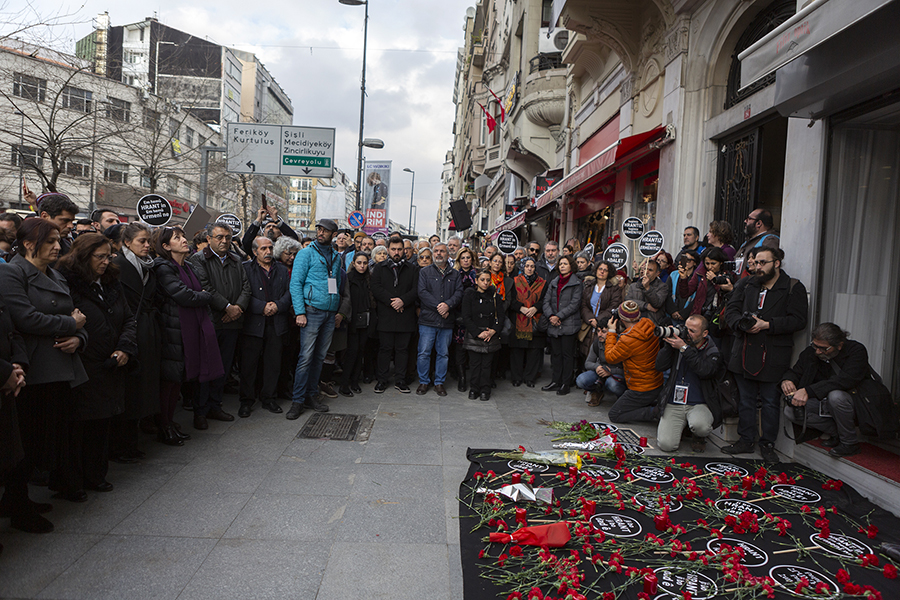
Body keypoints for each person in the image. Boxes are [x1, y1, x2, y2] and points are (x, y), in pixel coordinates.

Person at [0, 218, 86, 529]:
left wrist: (79, 337)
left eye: (57, 239)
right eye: (50, 240)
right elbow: (26, 318)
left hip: (60, 367)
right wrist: (70, 326)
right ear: (27, 244)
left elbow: (78, 317)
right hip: (31, 370)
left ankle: (16, 499)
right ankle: (17, 502)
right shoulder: (10, 273)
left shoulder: (55, 274)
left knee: (43, 440)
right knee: (25, 442)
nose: (58, 246)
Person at [57, 233, 137, 494]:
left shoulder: (112, 281)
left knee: (102, 424)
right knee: (80, 425)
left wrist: (124, 348)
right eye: (99, 257)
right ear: (84, 256)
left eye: (108, 256)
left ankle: (95, 474)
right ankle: (72, 481)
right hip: (83, 365)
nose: (105, 262)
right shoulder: (68, 283)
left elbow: (128, 319)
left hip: (111, 364)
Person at [721, 247, 808, 463]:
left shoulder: (792, 287)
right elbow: (730, 310)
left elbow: (798, 320)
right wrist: (741, 324)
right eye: (756, 262)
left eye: (763, 263)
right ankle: (746, 439)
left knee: (770, 402)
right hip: (744, 350)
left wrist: (768, 325)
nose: (758, 267)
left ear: (777, 263)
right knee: (746, 400)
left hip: (773, 354)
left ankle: (768, 443)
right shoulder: (747, 283)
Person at [153, 227, 223, 446]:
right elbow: (183, 295)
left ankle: (170, 422)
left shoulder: (189, 266)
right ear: (165, 246)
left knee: (177, 381)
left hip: (187, 331)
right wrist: (204, 296)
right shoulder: (163, 267)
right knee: (169, 381)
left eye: (183, 236)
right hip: (172, 330)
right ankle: (164, 425)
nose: (184, 240)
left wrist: (201, 296)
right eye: (178, 238)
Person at [188, 222, 250, 429]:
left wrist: (237, 308)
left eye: (227, 237)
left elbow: (246, 287)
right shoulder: (197, 260)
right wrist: (226, 307)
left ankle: (215, 405)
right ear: (209, 239)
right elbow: (204, 287)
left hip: (232, 323)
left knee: (222, 368)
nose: (224, 241)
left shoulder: (236, 259)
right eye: (219, 237)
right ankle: (200, 411)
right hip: (210, 322)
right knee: (206, 369)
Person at [110, 223, 162, 463]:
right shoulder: (118, 267)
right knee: (129, 388)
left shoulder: (148, 267)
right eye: (142, 241)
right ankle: (122, 445)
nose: (147, 245)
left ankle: (131, 441)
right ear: (127, 243)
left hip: (147, 330)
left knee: (142, 386)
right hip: (128, 332)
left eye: (149, 241)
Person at [782, 323, 870, 458]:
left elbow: (846, 380)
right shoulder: (811, 353)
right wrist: (787, 380)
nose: (818, 351)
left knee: (836, 396)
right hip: (821, 402)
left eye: (823, 348)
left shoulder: (856, 351)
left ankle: (850, 443)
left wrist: (808, 391)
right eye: (815, 346)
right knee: (790, 411)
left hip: (852, 403)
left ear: (839, 345)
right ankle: (837, 433)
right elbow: (796, 371)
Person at [288, 219, 344, 418]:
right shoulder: (305, 253)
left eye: (326, 230)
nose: (321, 233)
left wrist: (336, 308)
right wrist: (300, 312)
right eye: (319, 229)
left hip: (329, 313)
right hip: (311, 311)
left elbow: (335, 283)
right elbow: (295, 284)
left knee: (320, 357)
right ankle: (297, 400)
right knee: (305, 357)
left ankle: (312, 395)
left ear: (333, 234)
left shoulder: (336, 256)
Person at [238, 237, 292, 417]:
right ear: (255, 252)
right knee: (249, 364)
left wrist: (278, 305)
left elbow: (289, 293)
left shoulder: (282, 270)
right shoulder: (245, 269)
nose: (268, 252)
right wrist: (261, 307)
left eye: (270, 248)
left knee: (273, 363)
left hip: (276, 323)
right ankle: (246, 400)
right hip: (254, 323)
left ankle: (269, 397)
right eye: (263, 249)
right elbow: (242, 293)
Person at [654, 315, 724, 452]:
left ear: (704, 333)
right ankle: (683, 428)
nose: (688, 333)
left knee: (701, 426)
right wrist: (669, 346)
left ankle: (698, 436)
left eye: (693, 331)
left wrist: (685, 349)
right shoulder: (678, 344)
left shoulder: (712, 351)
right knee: (666, 445)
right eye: (686, 329)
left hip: (699, 403)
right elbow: (659, 366)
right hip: (675, 402)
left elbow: (704, 370)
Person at [370, 236, 419, 393]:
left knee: (402, 350)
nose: (397, 252)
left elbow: (416, 289)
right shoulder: (380, 267)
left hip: (405, 315)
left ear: (404, 250)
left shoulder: (412, 269)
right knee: (385, 349)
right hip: (386, 315)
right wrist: (392, 301)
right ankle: (382, 380)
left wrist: (402, 301)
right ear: (388, 250)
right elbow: (376, 288)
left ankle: (400, 380)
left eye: (399, 249)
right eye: (393, 249)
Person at [604, 300, 664, 423]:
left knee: (615, 415)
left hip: (641, 387)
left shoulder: (628, 339)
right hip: (655, 381)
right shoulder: (648, 324)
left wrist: (611, 332)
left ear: (621, 318)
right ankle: (652, 405)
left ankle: (653, 413)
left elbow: (610, 357)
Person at [416, 242, 462, 396]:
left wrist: (448, 305)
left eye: (442, 251)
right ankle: (423, 381)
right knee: (424, 352)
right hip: (428, 320)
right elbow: (422, 292)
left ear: (448, 254)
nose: (439, 254)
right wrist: (440, 307)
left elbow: (458, 293)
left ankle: (439, 383)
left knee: (443, 353)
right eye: (436, 251)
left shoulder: (455, 274)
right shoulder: (425, 272)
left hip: (446, 321)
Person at [541, 255, 583, 395]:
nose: (562, 266)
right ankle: (555, 381)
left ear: (571, 265)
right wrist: (551, 316)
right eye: (561, 264)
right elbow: (546, 301)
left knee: (567, 355)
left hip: (568, 324)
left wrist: (559, 316)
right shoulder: (554, 282)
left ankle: (566, 383)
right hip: (554, 324)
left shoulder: (576, 283)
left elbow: (575, 304)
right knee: (555, 355)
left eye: (565, 263)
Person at [462, 269, 502, 401]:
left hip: (490, 334)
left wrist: (493, 330)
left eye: (487, 280)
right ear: (477, 281)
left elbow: (501, 316)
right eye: (482, 280)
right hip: (475, 334)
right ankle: (474, 389)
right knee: (475, 364)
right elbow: (466, 316)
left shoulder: (494, 295)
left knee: (487, 364)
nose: (485, 283)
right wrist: (477, 332)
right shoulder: (469, 295)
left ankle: (485, 389)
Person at [508, 257, 547, 388]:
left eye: (532, 266)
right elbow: (511, 300)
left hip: (535, 320)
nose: (529, 268)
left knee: (534, 352)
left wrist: (536, 307)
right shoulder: (514, 281)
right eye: (527, 266)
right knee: (517, 352)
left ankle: (530, 378)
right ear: (522, 267)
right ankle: (517, 378)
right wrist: (521, 308)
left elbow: (545, 300)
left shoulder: (543, 283)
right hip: (518, 319)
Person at [340, 252, 374, 397]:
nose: (362, 266)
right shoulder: (348, 278)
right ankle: (344, 383)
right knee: (351, 352)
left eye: (365, 263)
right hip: (352, 320)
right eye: (359, 263)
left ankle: (355, 381)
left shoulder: (369, 279)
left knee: (361, 351)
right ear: (353, 263)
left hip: (366, 319)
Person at [579, 260, 622, 358]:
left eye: (605, 270)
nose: (602, 272)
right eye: (600, 269)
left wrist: (598, 321)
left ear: (609, 273)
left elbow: (613, 306)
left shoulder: (613, 288)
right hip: (588, 325)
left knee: (601, 354)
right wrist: (590, 319)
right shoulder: (589, 286)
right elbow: (584, 305)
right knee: (585, 353)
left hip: (604, 325)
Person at [576, 326, 626, 406]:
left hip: (616, 373)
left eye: (603, 331)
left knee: (612, 384)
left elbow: (627, 370)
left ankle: (623, 398)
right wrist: (597, 367)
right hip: (601, 372)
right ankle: (596, 391)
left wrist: (610, 371)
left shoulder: (621, 343)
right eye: (598, 331)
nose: (599, 334)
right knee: (581, 380)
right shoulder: (597, 343)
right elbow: (588, 363)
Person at [452, 247, 479, 391]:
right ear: (459, 259)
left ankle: (474, 378)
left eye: (468, 257)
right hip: (458, 315)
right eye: (463, 258)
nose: (466, 260)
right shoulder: (454, 274)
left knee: (474, 347)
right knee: (459, 349)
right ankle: (461, 378)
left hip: (474, 316)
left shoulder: (478, 273)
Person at [735, 208, 779, 276]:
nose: (745, 221)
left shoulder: (770, 240)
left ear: (759, 223)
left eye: (749, 219)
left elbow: (767, 269)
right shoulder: (749, 241)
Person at [625, 259, 668, 324]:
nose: (646, 272)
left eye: (650, 270)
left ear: (657, 273)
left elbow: (657, 303)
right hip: (635, 323)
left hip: (652, 324)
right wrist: (645, 305)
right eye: (645, 269)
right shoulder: (634, 286)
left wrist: (648, 288)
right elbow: (627, 301)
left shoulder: (663, 287)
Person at [668, 251, 703, 324]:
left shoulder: (698, 277)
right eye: (684, 259)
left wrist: (684, 313)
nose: (686, 262)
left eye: (689, 260)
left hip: (689, 316)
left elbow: (697, 298)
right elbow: (667, 293)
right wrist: (672, 311)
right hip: (673, 314)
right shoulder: (674, 274)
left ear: (695, 263)